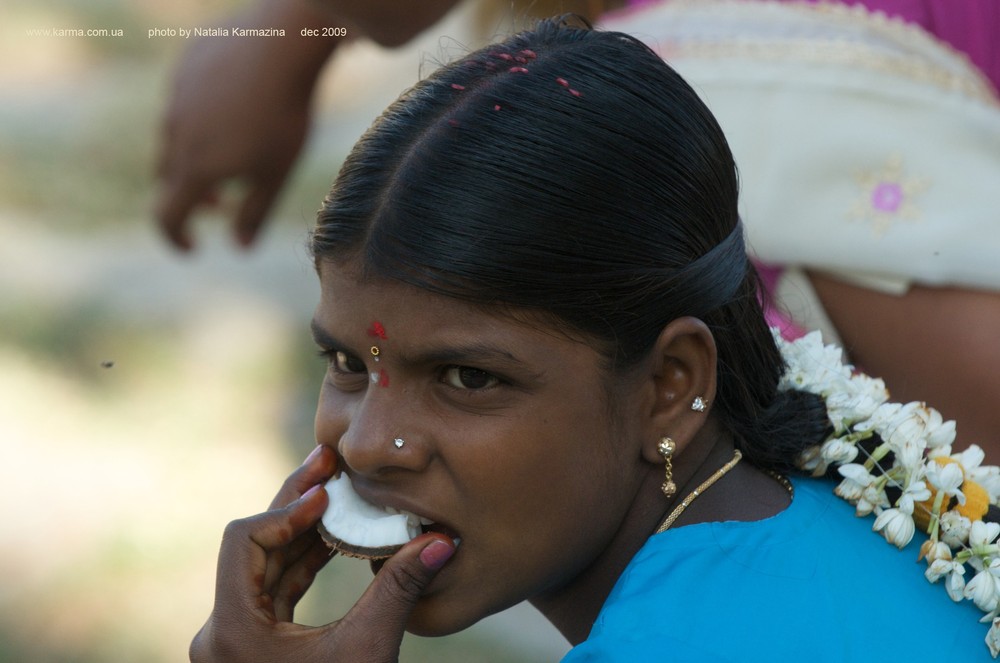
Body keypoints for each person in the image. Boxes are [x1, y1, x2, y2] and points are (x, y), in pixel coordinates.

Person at [190, 20, 999, 661]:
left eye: (468, 377)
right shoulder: (834, 511)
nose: (368, 446)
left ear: (670, 385)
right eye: (346, 363)